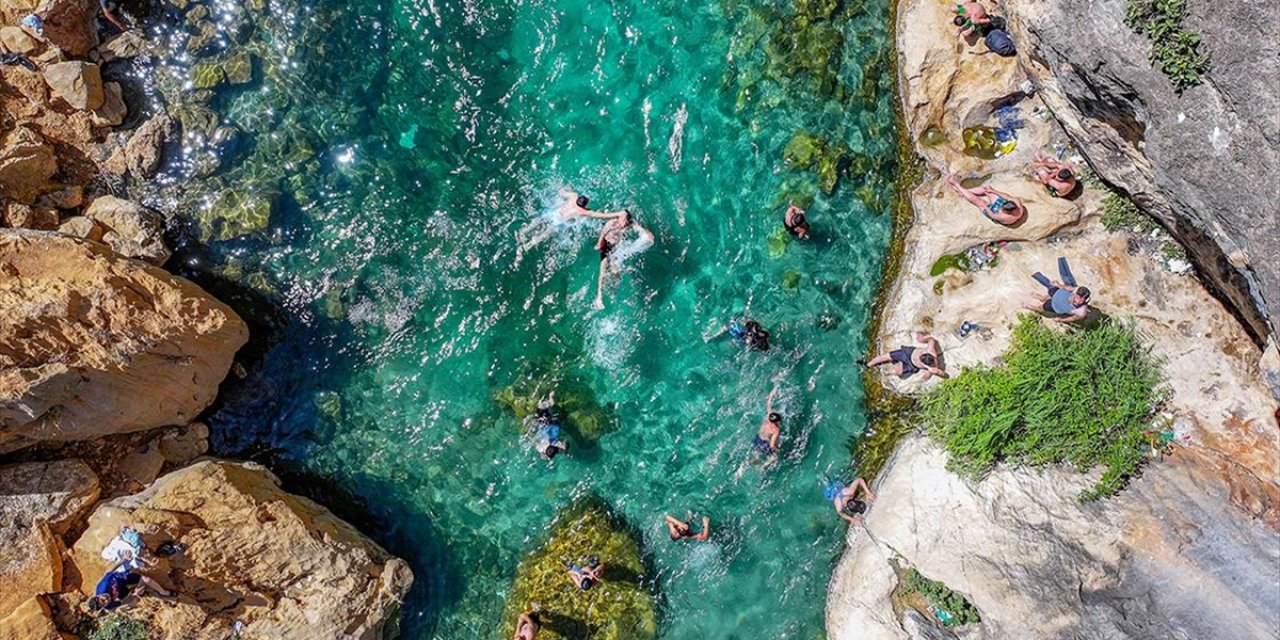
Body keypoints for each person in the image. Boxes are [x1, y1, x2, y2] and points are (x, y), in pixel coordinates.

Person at [517, 190, 624, 254]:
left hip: (554, 213)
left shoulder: (573, 196)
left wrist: (564, 188)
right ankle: (527, 246)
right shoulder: (582, 211)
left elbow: (561, 192)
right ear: (585, 205)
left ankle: (523, 232)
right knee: (544, 234)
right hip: (558, 223)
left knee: (536, 222)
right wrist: (617, 214)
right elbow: (601, 216)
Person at [592, 210, 654, 310]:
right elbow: (603, 234)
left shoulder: (628, 224)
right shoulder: (611, 223)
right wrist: (599, 245)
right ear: (619, 217)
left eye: (626, 220)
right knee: (602, 273)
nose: (624, 222)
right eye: (623, 219)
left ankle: (613, 289)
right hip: (606, 247)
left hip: (616, 249)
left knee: (616, 272)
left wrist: (648, 235)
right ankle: (599, 297)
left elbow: (639, 229)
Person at [1023, 257, 1091, 323]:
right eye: (1077, 297)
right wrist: (1058, 285)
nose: (1077, 301)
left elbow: (1072, 318)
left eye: (1081, 301)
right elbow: (1069, 288)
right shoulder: (1078, 289)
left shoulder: (1081, 312)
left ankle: (1029, 307)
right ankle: (1029, 270)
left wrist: (1060, 320)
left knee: (1041, 308)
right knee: (1047, 291)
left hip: (1055, 306)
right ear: (1076, 294)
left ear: (1085, 300)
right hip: (1058, 293)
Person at [861, 332, 948, 380]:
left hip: (911, 365)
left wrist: (929, 374)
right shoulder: (930, 350)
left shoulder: (932, 368)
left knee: (897, 372)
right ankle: (867, 365)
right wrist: (922, 339)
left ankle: (883, 373)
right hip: (908, 353)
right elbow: (931, 339)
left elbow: (943, 374)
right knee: (885, 356)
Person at [86, 565, 172, 614]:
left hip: (122, 578)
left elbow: (110, 571)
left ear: (98, 595)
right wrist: (135, 594)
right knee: (134, 597)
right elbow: (123, 602)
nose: (106, 600)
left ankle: (163, 592)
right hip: (120, 591)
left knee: (146, 579)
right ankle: (140, 591)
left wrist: (122, 560)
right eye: (104, 603)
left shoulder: (104, 585)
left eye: (102, 599)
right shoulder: (108, 606)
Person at [945, 175, 1025, 226]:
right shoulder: (1016, 201)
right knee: (986, 189)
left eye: (1003, 209)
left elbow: (992, 215)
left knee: (980, 203)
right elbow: (1007, 196)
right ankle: (962, 191)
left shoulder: (1005, 217)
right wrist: (993, 191)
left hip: (994, 212)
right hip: (1002, 207)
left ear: (1008, 212)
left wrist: (986, 207)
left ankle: (956, 185)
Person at [532, 392, 569, 460]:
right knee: (542, 406)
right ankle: (548, 396)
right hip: (546, 423)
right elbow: (534, 441)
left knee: (549, 406)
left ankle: (549, 397)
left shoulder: (557, 445)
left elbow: (565, 442)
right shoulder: (540, 448)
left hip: (554, 424)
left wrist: (566, 450)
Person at [753, 389, 782, 457]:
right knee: (775, 458)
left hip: (757, 439)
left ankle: (748, 463)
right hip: (764, 444)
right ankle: (764, 466)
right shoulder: (776, 430)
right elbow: (772, 445)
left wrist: (771, 395)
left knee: (757, 455)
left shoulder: (769, 417)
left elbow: (768, 404)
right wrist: (778, 450)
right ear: (777, 421)